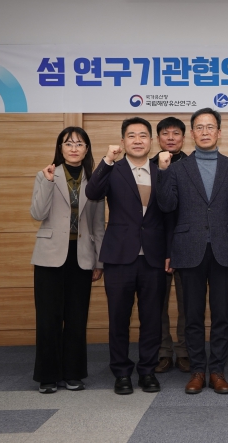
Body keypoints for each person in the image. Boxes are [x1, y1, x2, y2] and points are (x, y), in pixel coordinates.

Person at [157, 108, 228, 395]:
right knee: (193, 316)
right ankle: (198, 370)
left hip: (225, 248)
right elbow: (166, 207)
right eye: (200, 127)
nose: (205, 132)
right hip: (189, 249)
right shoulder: (177, 168)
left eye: (210, 127)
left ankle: (218, 371)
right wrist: (163, 173)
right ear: (192, 134)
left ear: (219, 132)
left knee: (221, 315)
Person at [85, 117, 171, 395]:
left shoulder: (161, 170)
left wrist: (170, 253)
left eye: (143, 135)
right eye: (131, 136)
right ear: (122, 141)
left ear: (151, 141)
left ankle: (147, 370)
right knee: (119, 319)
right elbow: (92, 191)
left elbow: (171, 215)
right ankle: (121, 372)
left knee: (152, 319)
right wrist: (107, 160)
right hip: (120, 256)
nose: (137, 140)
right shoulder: (114, 169)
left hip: (154, 257)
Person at [30, 127, 105, 394]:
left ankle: (73, 373)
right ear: (60, 148)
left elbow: (98, 225)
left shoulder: (95, 180)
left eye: (79, 144)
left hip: (81, 256)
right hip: (50, 256)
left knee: (76, 318)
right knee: (48, 318)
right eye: (68, 143)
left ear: (87, 149)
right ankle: (48, 376)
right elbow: (37, 213)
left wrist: (99, 261)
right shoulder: (46, 175)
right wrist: (48, 183)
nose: (74, 148)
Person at [150, 117, 190, 374]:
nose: (171, 138)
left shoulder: (192, 165)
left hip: (187, 244)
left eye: (176, 133)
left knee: (188, 303)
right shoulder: (148, 166)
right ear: (158, 139)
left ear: (184, 138)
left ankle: (185, 352)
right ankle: (163, 352)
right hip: (155, 245)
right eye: (166, 133)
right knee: (157, 304)